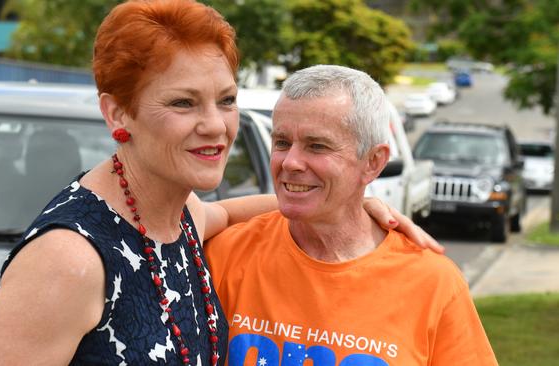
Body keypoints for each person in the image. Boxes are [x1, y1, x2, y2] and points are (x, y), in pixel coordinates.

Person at [0, 1, 439, 365]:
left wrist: (355, 205)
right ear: (118, 112)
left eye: (226, 99)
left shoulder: (178, 217)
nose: (215, 126)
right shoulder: (69, 258)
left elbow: (233, 211)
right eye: (183, 103)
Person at [205, 65, 497, 366]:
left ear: (373, 162)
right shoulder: (225, 254)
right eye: (281, 143)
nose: (290, 162)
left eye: (316, 146)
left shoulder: (432, 283)